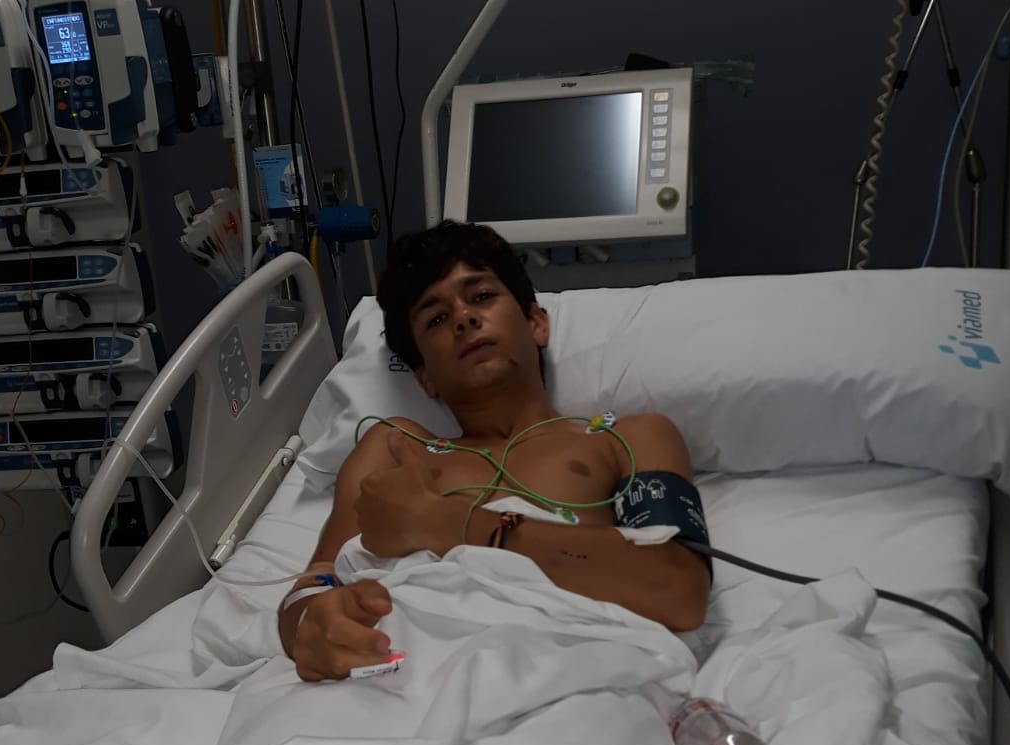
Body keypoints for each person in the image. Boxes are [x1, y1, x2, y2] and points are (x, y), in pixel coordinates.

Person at [279, 222, 710, 682]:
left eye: (481, 296)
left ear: (536, 323)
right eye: (436, 319)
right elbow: (314, 582)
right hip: (401, 671)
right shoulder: (395, 447)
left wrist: (447, 524)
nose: (463, 318)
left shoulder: (626, 439)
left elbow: (679, 590)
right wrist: (310, 623)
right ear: (424, 378)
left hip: (561, 673)